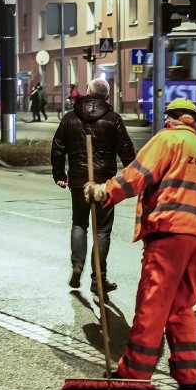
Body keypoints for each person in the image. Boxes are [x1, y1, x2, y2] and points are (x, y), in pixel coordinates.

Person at [84, 98, 196, 388]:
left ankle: (135, 371)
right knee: (181, 308)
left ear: (169, 119)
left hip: (171, 231)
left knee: (153, 302)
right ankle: (187, 374)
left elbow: (136, 176)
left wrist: (101, 192)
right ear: (194, 122)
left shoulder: (168, 140)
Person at [51, 78, 135, 293]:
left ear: (87, 92)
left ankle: (77, 265)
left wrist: (60, 174)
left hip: (79, 181)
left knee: (79, 224)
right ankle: (99, 278)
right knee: (103, 230)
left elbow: (57, 148)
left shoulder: (70, 117)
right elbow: (126, 149)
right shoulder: (113, 119)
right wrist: (131, 175)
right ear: (107, 96)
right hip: (105, 183)